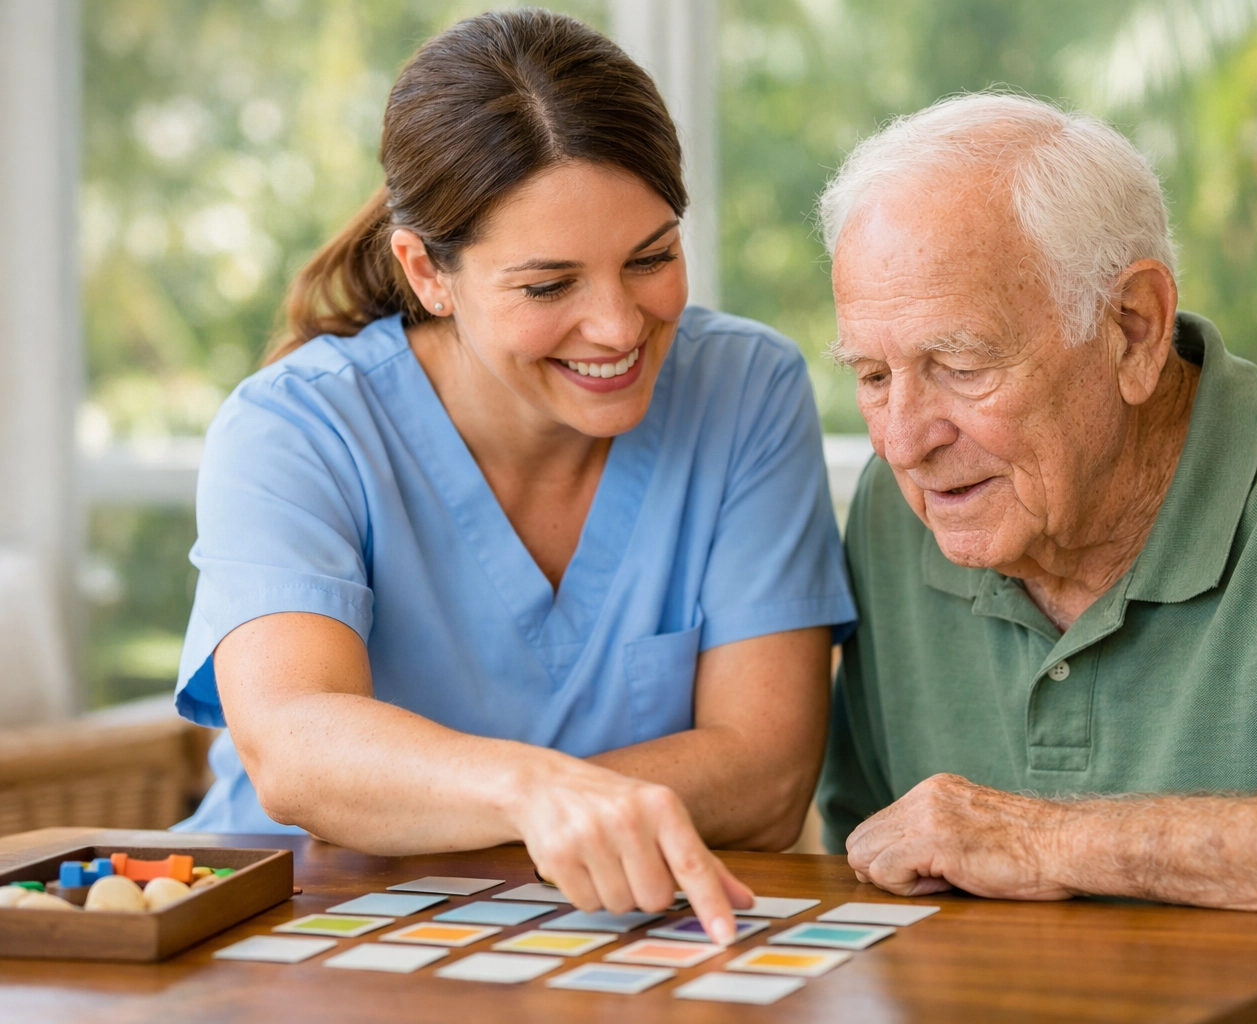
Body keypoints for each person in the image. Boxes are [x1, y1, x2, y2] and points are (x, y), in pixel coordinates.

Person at [816, 93, 1257, 1021]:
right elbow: (876, 899)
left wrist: (1052, 842)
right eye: (872, 377)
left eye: (961, 364)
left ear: (1135, 329)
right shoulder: (903, 509)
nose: (906, 438)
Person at [172, 9, 855, 945]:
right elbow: (295, 746)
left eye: (652, 258)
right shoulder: (295, 427)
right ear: (427, 272)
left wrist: (470, 802)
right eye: (549, 286)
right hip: (289, 932)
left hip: (600, 939)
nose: (618, 327)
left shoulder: (747, 391)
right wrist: (541, 793)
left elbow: (767, 781)